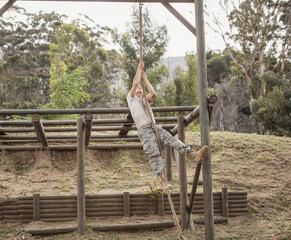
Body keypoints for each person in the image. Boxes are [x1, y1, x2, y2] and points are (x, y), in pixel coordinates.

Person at [127, 60, 208, 191]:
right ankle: (162, 181)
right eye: (138, 88)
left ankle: (193, 154)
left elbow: (153, 93)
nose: (140, 87)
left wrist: (145, 79)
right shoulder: (131, 99)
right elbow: (135, 83)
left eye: (141, 87)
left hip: (154, 127)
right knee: (154, 154)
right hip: (144, 130)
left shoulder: (145, 100)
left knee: (172, 140)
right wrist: (139, 69)